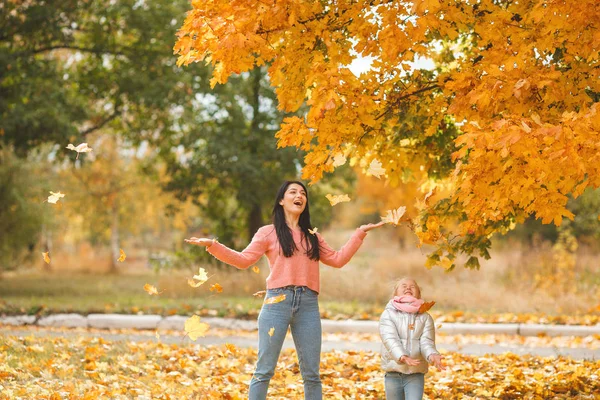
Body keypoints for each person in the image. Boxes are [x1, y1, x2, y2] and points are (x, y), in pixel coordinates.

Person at [185, 180, 384, 400]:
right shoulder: (267, 233)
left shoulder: (313, 236)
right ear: (281, 200)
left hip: (308, 305)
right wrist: (212, 245)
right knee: (264, 371)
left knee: (312, 375)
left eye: (303, 193)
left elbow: (338, 260)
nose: (299, 195)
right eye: (293, 192)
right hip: (277, 302)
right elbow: (244, 260)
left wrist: (359, 234)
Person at [379, 277, 445, 400]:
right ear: (395, 293)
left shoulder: (425, 318)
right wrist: (402, 356)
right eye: (403, 286)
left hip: (415, 373)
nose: (408, 287)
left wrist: (432, 355)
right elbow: (389, 338)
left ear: (419, 294)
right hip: (393, 371)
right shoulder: (388, 314)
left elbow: (427, 342)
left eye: (412, 286)